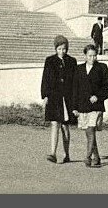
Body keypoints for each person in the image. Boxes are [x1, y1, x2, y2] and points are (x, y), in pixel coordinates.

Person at [72, 44, 108, 168]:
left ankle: (88, 157)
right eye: (90, 56)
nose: (92, 58)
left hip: (96, 106)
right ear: (85, 56)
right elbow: (75, 88)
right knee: (89, 133)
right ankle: (97, 157)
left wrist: (98, 96)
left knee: (91, 130)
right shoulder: (79, 69)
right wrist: (74, 107)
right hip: (83, 106)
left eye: (94, 56)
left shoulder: (102, 68)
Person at [40, 35, 77, 164]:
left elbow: (75, 82)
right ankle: (53, 153)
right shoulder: (49, 61)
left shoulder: (72, 61)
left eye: (64, 49)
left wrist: (76, 101)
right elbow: (45, 79)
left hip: (67, 98)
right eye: (59, 49)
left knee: (65, 126)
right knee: (55, 124)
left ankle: (67, 154)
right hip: (54, 97)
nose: (62, 51)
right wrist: (45, 95)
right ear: (55, 49)